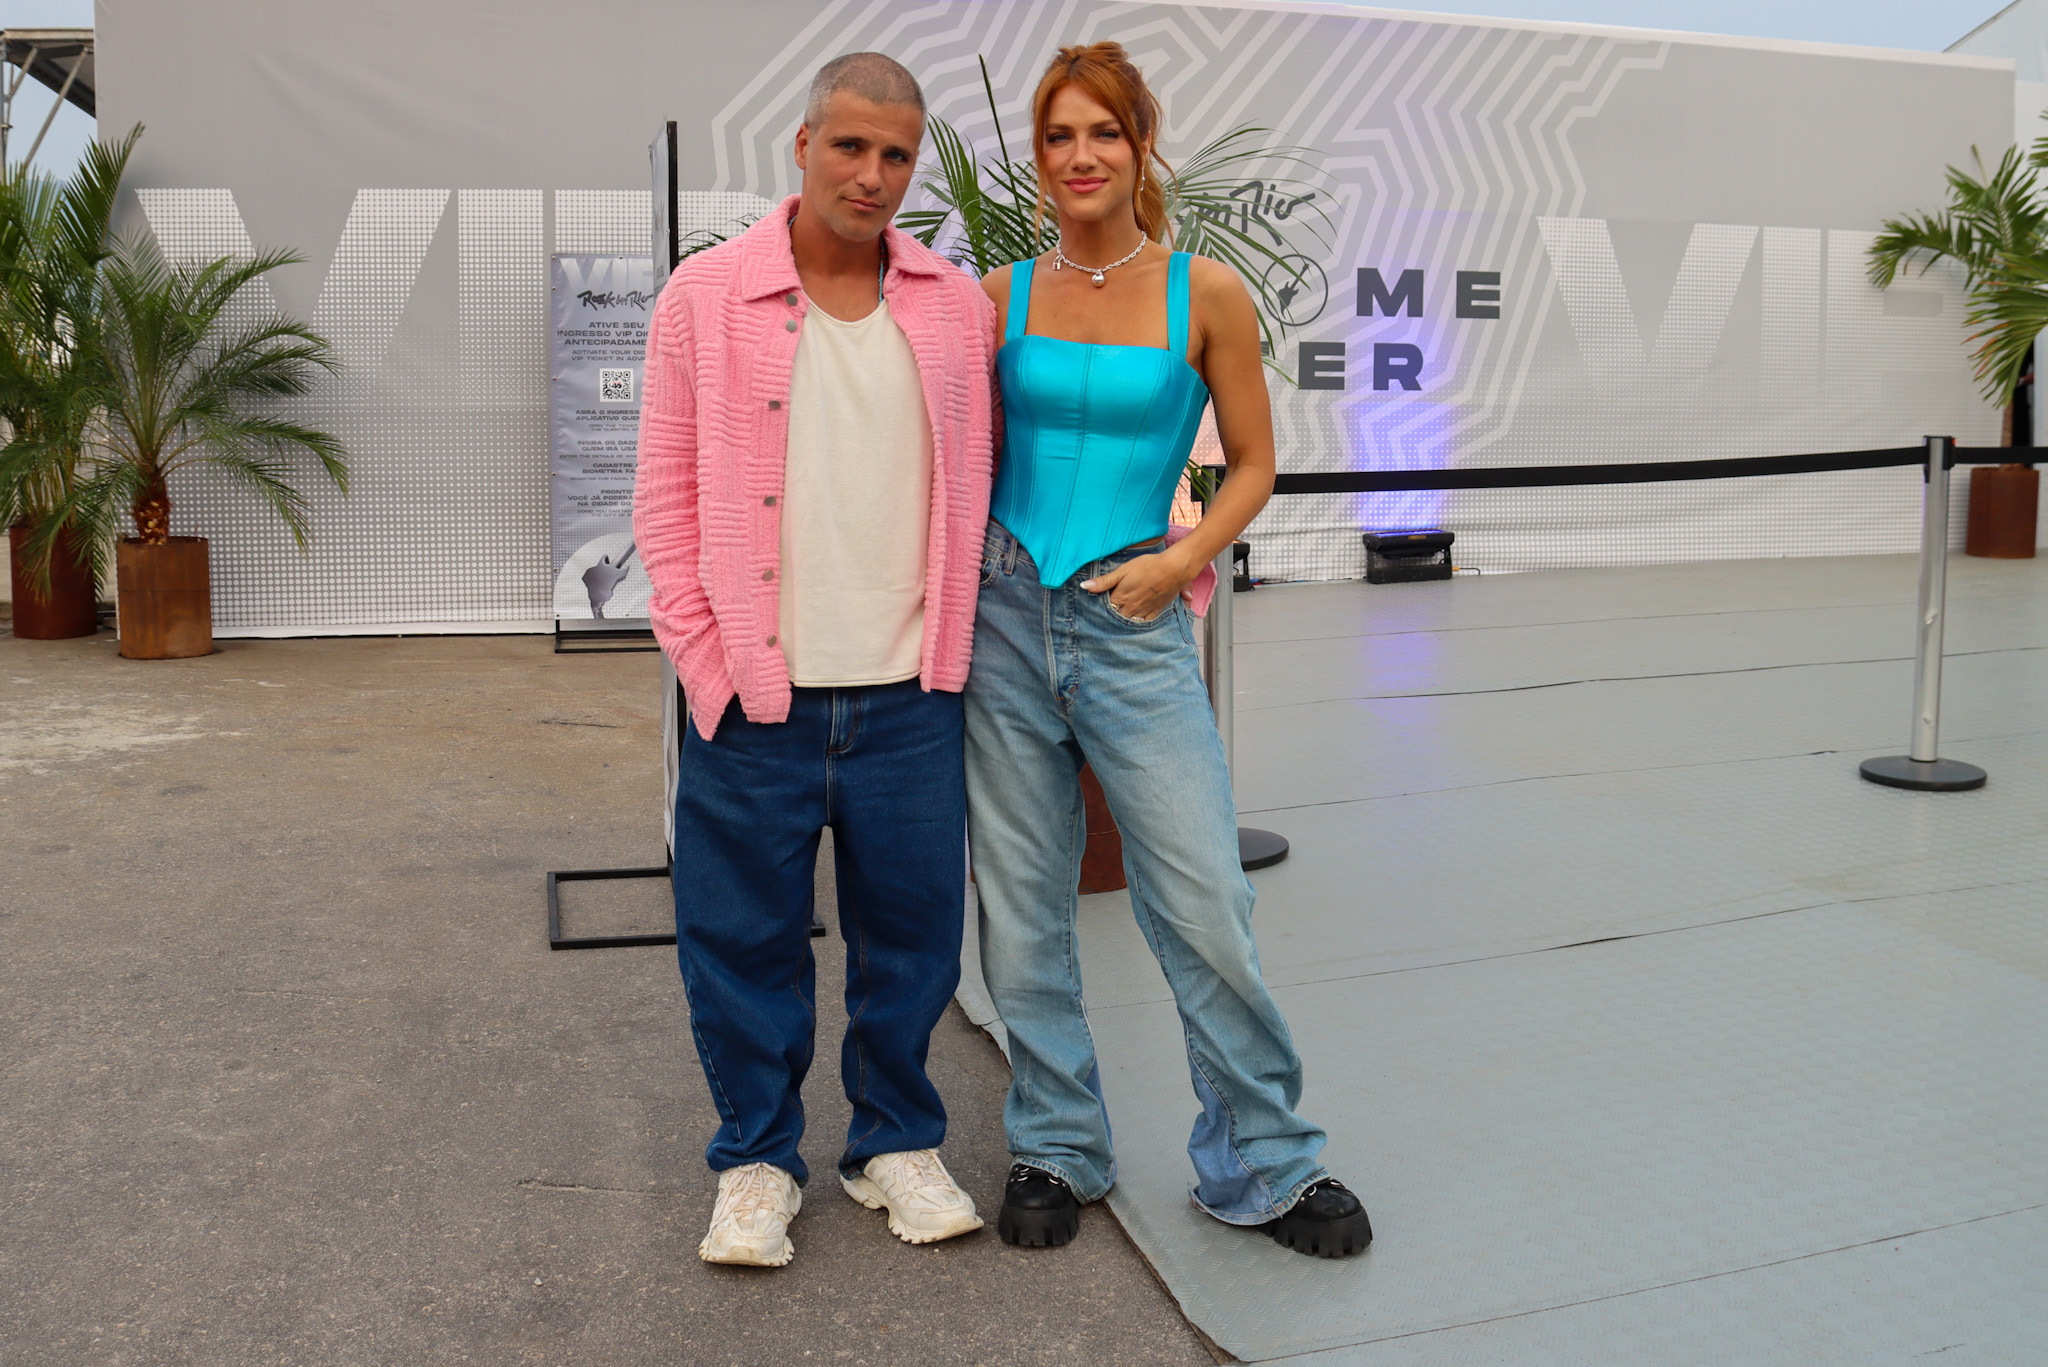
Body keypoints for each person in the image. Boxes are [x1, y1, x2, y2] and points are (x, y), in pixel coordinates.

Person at [966, 43, 1372, 1260]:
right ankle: (1053, 1142)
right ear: (1036, 160)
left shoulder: (1209, 294)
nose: (1079, 155)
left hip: (1134, 624)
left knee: (1203, 898)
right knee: (1022, 904)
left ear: (1141, 145)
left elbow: (1250, 463)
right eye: (1056, 136)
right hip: (999, 619)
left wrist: (1180, 562)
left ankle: (1261, 1160)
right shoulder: (994, 296)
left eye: (1102, 131)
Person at [632, 51, 999, 1268]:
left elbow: (978, 483)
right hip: (754, 691)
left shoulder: (953, 304)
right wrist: (706, 657)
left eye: (896, 154)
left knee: (912, 941)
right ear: (801, 144)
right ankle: (753, 1157)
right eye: (850, 146)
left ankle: (892, 1139)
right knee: (740, 939)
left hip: (907, 693)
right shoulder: (705, 296)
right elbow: (664, 499)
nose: (873, 174)